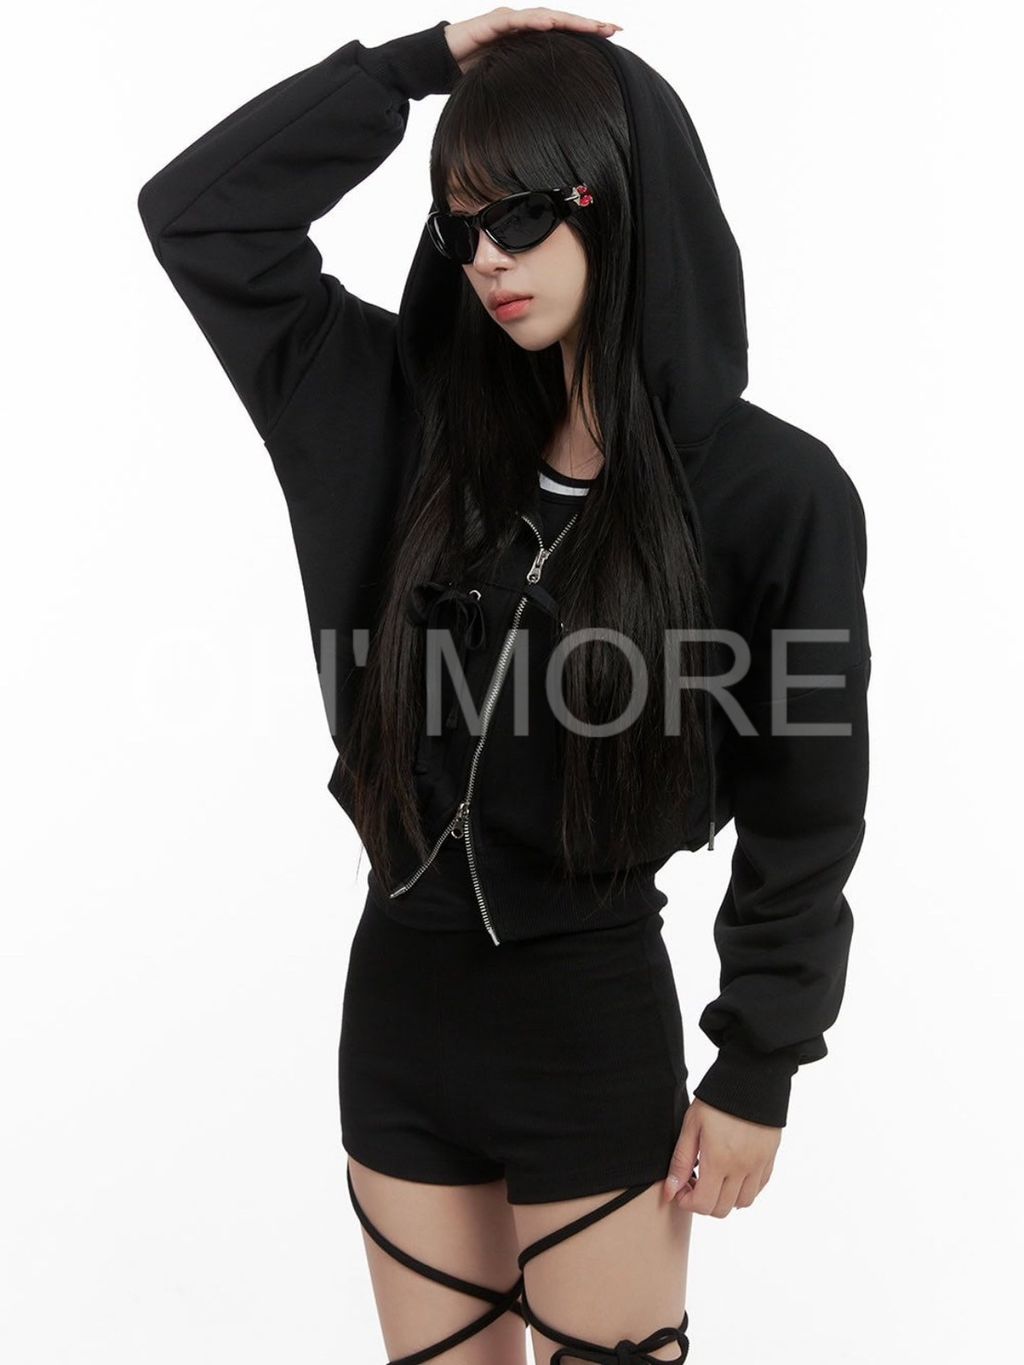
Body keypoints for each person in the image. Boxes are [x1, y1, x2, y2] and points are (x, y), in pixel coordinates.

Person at [137, 8, 871, 1362]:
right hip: (399, 1015)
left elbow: (808, 811)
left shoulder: (774, 494)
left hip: (588, 1024)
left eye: (522, 215)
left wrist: (759, 1062)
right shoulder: (395, 418)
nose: (487, 258)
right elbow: (199, 217)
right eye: (461, 224)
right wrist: (416, 66)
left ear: (616, 199)